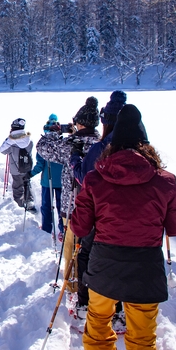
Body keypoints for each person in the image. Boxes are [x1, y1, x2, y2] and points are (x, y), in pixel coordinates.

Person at [70, 104, 176, 350]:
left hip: (104, 266)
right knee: (143, 337)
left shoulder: (95, 179)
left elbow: (79, 227)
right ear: (145, 145)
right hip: (146, 269)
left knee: (98, 324)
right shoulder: (165, 181)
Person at [70, 91, 127, 323]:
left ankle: (86, 303)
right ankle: (120, 308)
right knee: (122, 260)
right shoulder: (142, 148)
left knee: (88, 256)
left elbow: (85, 178)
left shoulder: (102, 148)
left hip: (100, 215)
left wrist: (75, 159)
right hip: (129, 217)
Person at [36, 97, 101, 292]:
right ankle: (96, 291)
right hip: (100, 210)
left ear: (79, 123)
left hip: (73, 208)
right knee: (95, 253)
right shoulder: (102, 145)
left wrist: (55, 132)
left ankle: (74, 288)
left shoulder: (72, 145)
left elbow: (43, 148)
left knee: (72, 250)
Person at [30, 115, 63, 233]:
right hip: (62, 181)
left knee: (46, 206)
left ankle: (47, 228)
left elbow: (40, 165)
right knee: (61, 207)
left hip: (47, 181)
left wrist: (30, 174)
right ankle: (63, 229)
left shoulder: (43, 146)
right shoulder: (63, 143)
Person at [0, 118, 36, 213]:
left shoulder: (11, 142)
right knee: (27, 183)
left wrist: (7, 140)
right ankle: (29, 203)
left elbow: (2, 150)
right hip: (27, 167)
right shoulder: (29, 140)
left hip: (15, 169)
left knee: (17, 186)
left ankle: (19, 205)